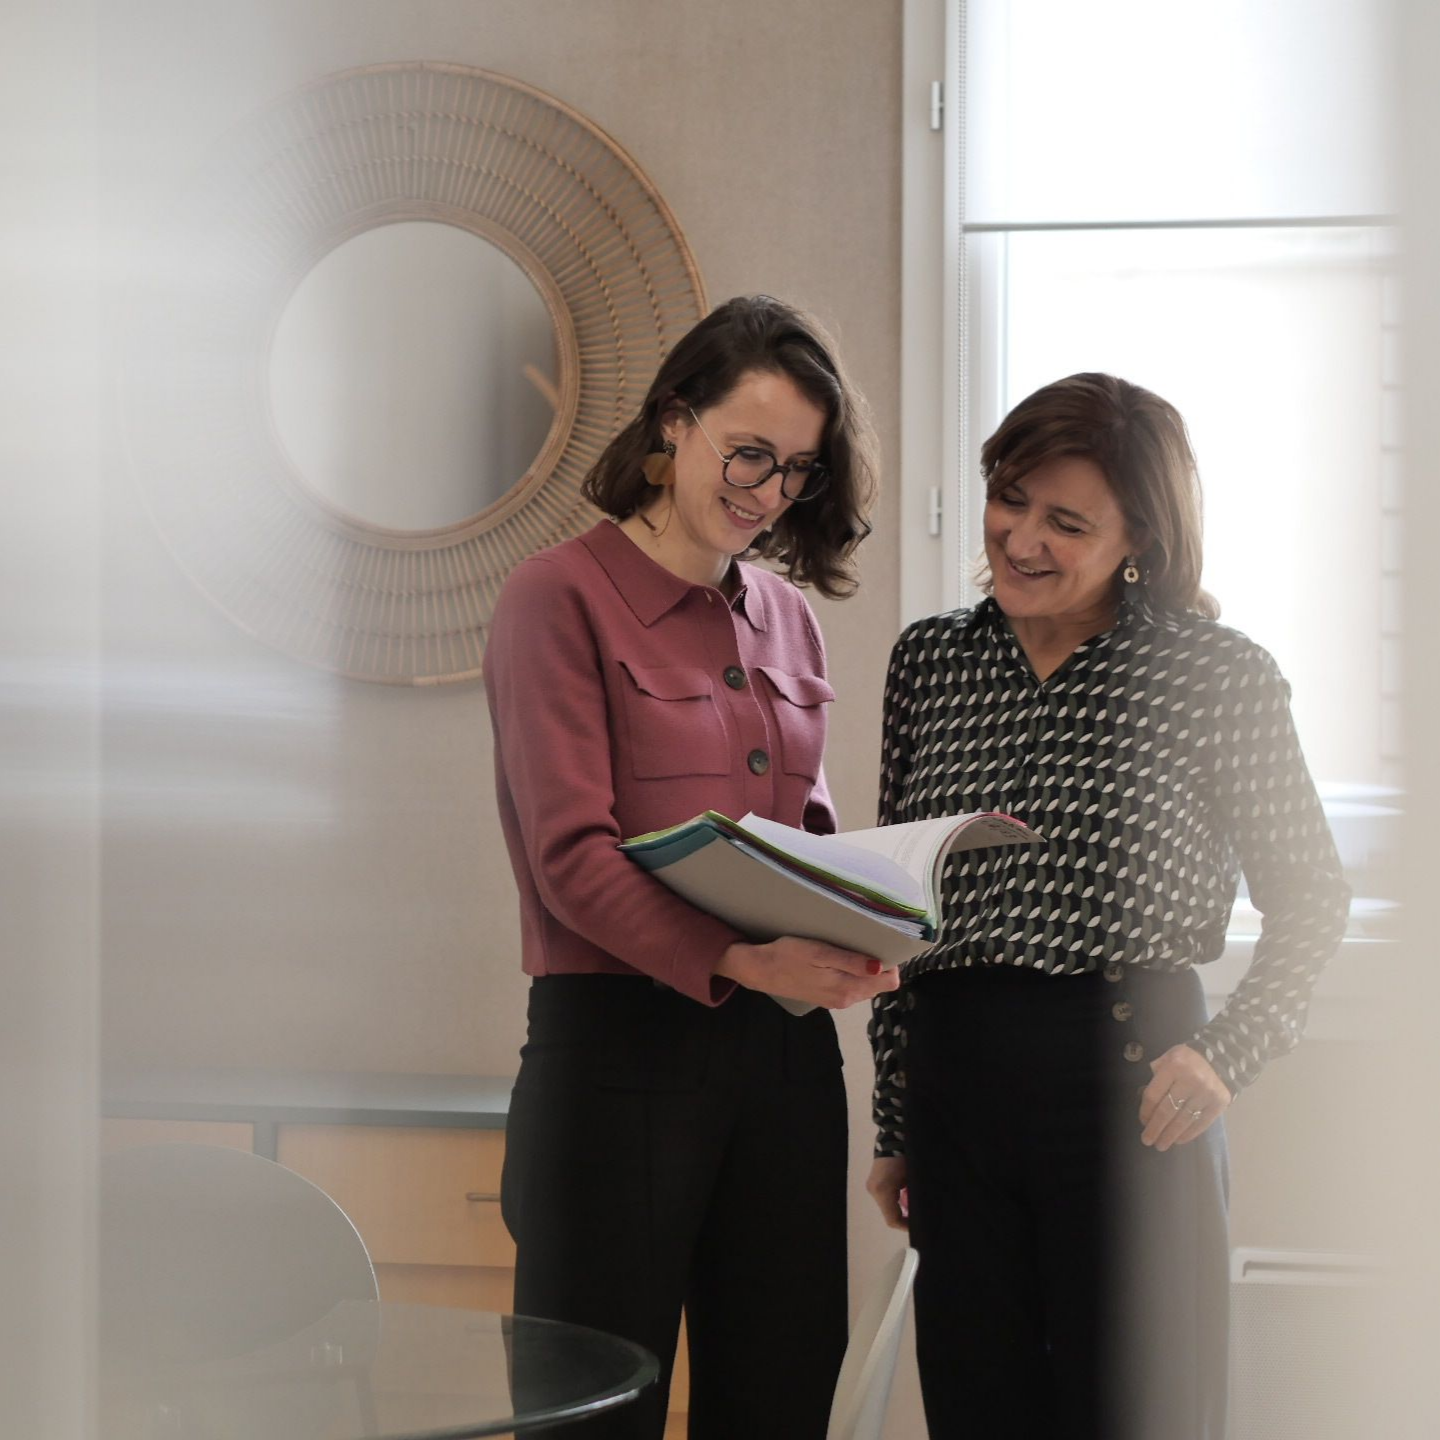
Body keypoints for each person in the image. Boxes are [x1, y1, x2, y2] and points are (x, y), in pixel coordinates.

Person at [865, 373, 1350, 1440]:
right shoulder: (930, 663)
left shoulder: (1214, 677)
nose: (1020, 537)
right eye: (1010, 497)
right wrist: (898, 1118)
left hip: (1134, 1088)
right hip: (959, 1093)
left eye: (1066, 521)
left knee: (1140, 1414)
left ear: (1141, 536)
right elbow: (901, 911)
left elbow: (1312, 897)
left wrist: (1224, 1055)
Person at [484, 295, 898, 1440]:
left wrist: (867, 917)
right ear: (674, 424)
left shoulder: (788, 621)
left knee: (779, 1392)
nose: (766, 493)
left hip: (783, 1063)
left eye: (798, 472)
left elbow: (802, 837)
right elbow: (570, 858)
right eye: (748, 452)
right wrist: (738, 959)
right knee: (590, 1409)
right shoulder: (554, 599)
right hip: (616, 1058)